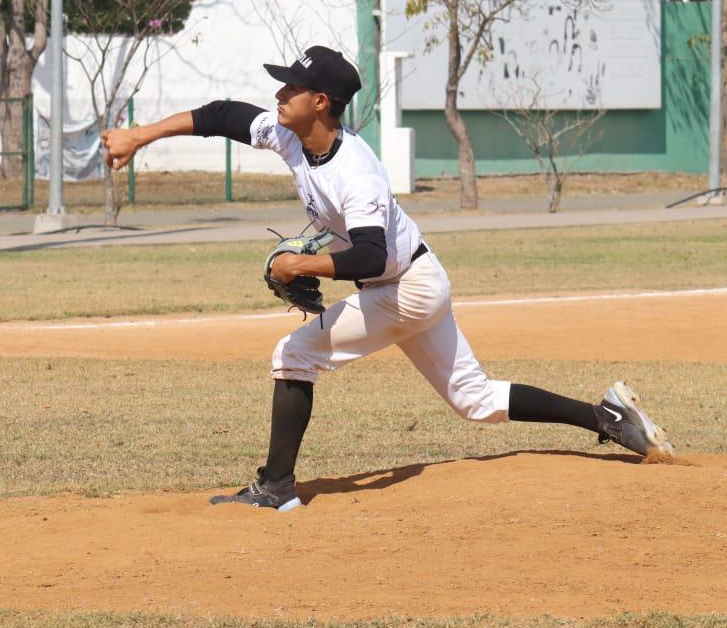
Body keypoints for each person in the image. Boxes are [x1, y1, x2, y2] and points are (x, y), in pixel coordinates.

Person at [100, 45, 674, 511]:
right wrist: (137, 136)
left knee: (294, 354)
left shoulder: (356, 170)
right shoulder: (289, 135)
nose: (278, 95)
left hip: (406, 287)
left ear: (320, 102)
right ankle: (607, 417)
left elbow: (370, 256)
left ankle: (275, 487)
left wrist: (301, 263)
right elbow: (221, 114)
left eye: (290, 88)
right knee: (475, 400)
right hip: (414, 280)